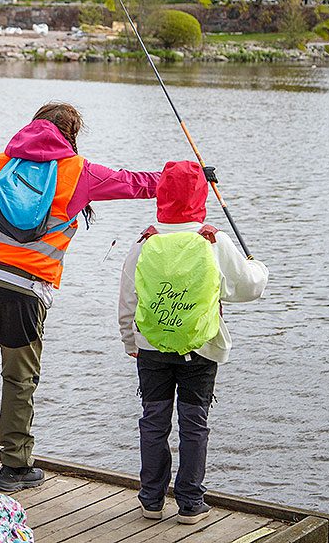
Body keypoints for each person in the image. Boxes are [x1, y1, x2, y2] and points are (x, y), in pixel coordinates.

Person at [0, 102, 162, 492]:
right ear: (71, 134)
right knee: (19, 378)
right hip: (23, 289)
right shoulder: (79, 172)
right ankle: (14, 467)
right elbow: (135, 183)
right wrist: (186, 177)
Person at [117, 160, 268, 524]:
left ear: (161, 195)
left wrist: (130, 341)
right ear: (202, 195)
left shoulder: (145, 241)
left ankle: (151, 500)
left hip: (150, 346)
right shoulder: (214, 241)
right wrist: (257, 265)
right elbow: (248, 288)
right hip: (200, 348)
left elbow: (127, 299)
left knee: (153, 421)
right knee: (194, 422)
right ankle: (190, 503)